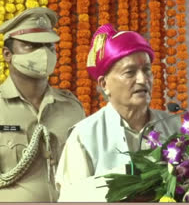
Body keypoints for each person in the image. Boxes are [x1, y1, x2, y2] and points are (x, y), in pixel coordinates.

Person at [55, 24, 181, 201]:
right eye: (130, 72)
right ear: (104, 84)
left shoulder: (174, 126)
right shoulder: (85, 135)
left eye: (146, 70)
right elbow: (70, 198)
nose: (142, 79)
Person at [0, 7, 85, 202]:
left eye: (49, 46)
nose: (44, 54)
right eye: (31, 46)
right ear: (7, 54)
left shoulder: (72, 108)